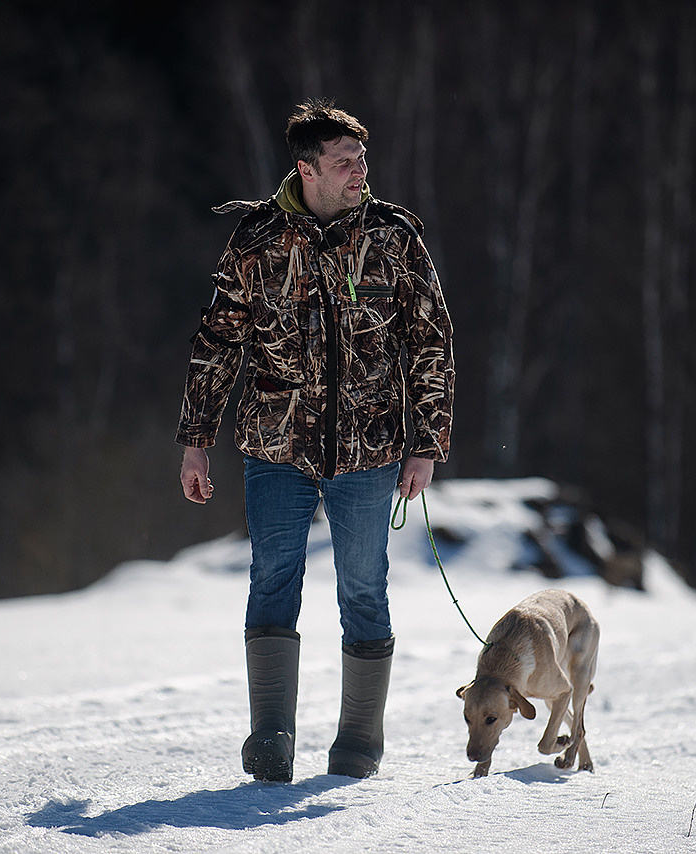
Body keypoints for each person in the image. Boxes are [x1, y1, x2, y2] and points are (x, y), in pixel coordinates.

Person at [176, 100, 455, 782]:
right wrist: (196, 439)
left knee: (363, 587)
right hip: (275, 446)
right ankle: (271, 737)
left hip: (370, 448)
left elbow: (431, 341)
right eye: (344, 162)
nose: (360, 171)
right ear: (307, 169)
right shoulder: (257, 239)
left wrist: (426, 443)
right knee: (273, 578)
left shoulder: (393, 237)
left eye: (362, 159)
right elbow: (218, 341)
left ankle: (358, 740)